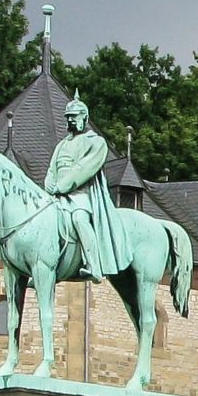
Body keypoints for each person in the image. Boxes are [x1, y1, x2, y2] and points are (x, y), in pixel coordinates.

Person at [44, 95, 127, 281]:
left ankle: (93, 265)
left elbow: (83, 170)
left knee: (79, 219)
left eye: (74, 116)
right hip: (58, 195)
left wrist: (61, 186)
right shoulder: (62, 144)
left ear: (85, 118)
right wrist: (48, 183)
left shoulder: (96, 142)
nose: (70, 120)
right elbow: (52, 168)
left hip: (82, 195)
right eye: (68, 117)